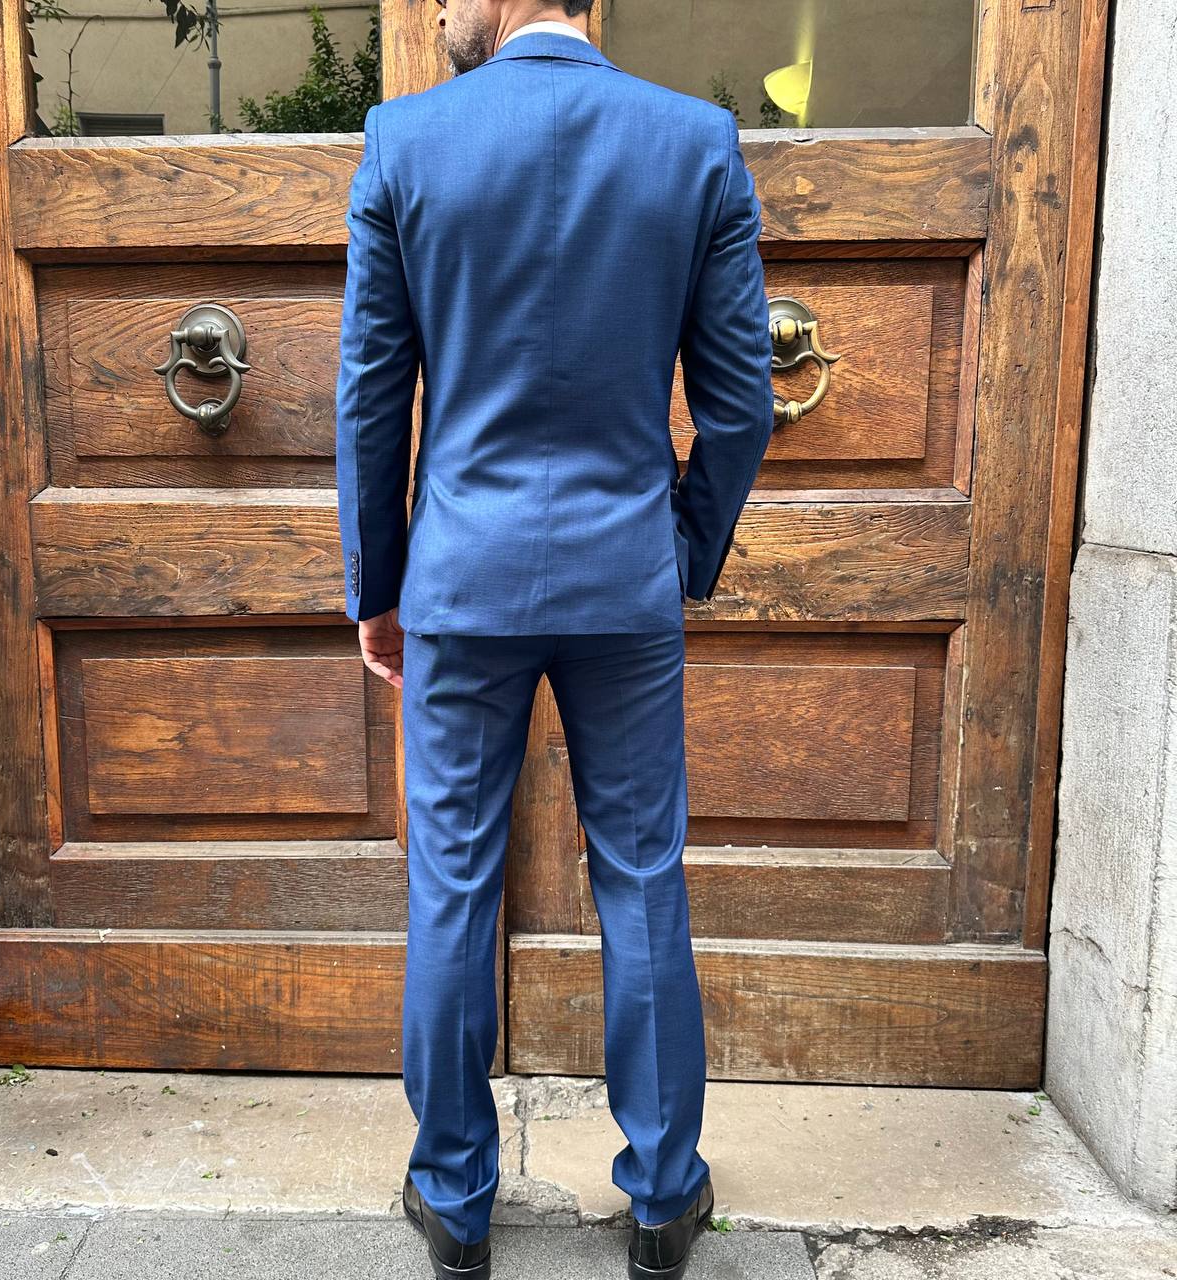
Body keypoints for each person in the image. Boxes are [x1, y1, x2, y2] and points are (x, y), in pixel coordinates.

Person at [335, 2, 775, 1276]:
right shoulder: (692, 143)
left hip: (460, 581)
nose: (439, 9)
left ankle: (455, 1200)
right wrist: (679, 550)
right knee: (639, 876)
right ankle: (663, 1199)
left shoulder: (405, 140)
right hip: (622, 577)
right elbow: (739, 404)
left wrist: (379, 582)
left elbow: (372, 395)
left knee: (451, 881)